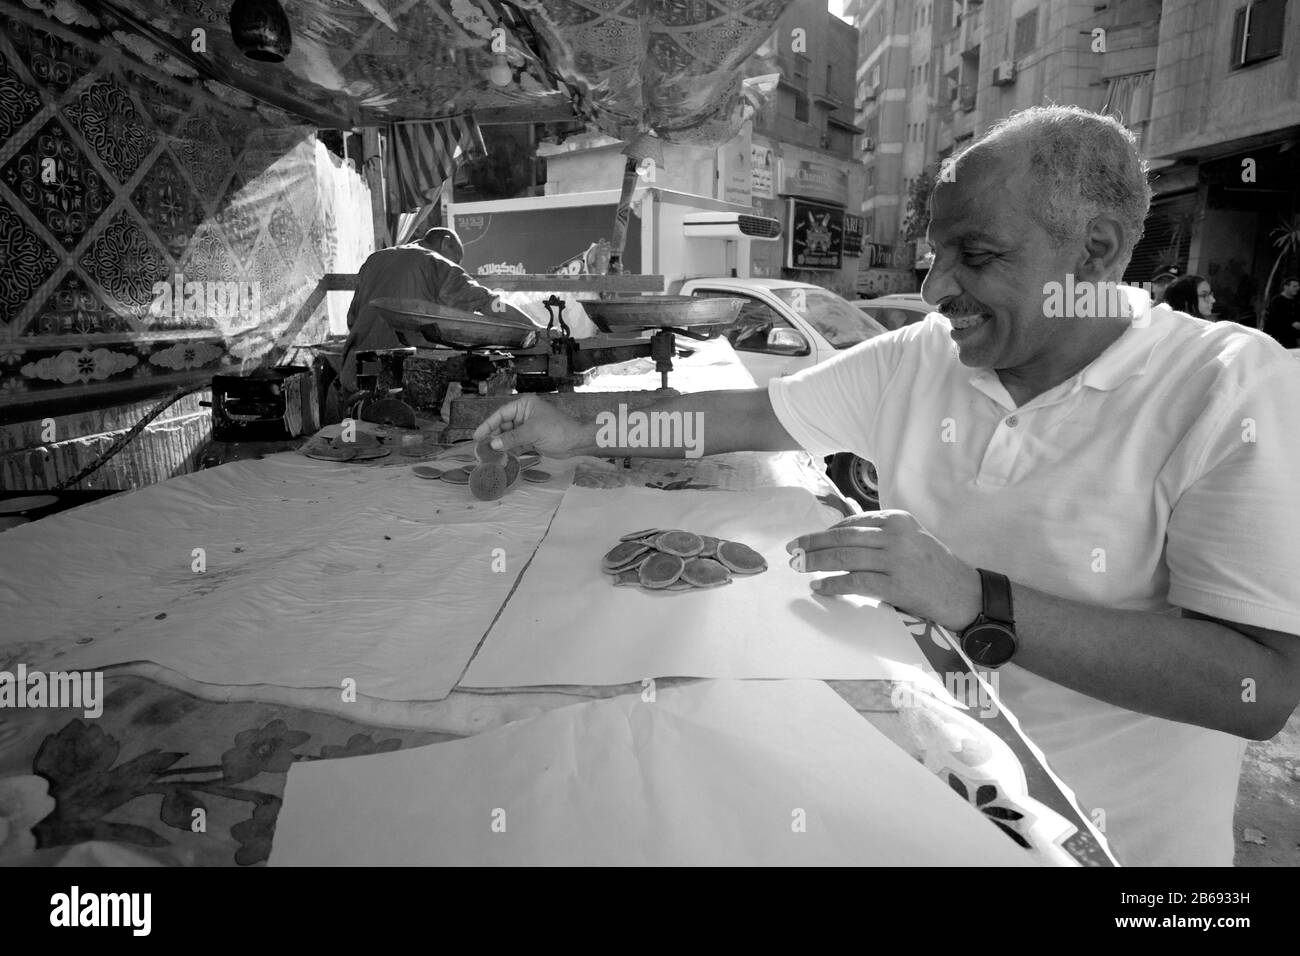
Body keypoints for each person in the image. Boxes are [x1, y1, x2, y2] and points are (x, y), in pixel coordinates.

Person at [474, 105, 1300, 866]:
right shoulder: (922, 360)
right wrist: (576, 426)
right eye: (937, 255)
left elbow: (1254, 685)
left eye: (975, 257)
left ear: (1094, 251)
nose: (938, 290)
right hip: (920, 810)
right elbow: (743, 419)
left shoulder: (1231, 387)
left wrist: (972, 597)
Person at [338, 227, 534, 391]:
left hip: (354, 372)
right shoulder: (437, 263)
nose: (456, 264)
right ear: (446, 243)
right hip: (399, 380)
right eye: (456, 258)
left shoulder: (374, 260)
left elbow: (352, 318)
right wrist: (535, 330)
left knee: (358, 433)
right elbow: (489, 304)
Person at [1263, 276, 1300, 348]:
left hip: (1292, 339)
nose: (1298, 288)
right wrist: (1291, 323)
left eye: (1298, 286)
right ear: (1286, 287)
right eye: (1294, 286)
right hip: (1278, 338)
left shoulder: (1296, 302)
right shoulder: (1277, 301)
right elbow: (1273, 319)